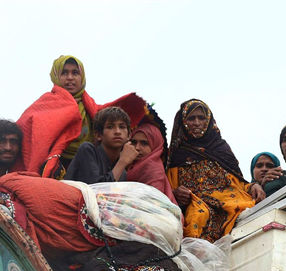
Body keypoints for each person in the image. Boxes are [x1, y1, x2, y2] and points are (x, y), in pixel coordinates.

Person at [17, 54, 147, 179]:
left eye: (75, 73)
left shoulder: (92, 108)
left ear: (82, 77)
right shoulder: (46, 104)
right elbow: (28, 129)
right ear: (55, 77)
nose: (70, 78)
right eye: (64, 73)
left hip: (90, 169)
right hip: (55, 170)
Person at [166, 99, 265, 241]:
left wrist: (253, 185)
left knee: (250, 208)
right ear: (183, 121)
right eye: (191, 118)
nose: (197, 122)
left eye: (201, 118)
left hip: (231, 203)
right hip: (197, 208)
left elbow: (237, 182)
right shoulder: (176, 155)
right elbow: (168, 189)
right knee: (198, 216)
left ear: (209, 120)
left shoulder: (221, 149)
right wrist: (176, 194)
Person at [64, 107, 137, 184]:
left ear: (129, 135)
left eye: (122, 127)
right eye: (110, 127)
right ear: (98, 135)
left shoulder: (122, 171)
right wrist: (122, 162)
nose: (117, 132)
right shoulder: (87, 150)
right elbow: (97, 189)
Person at [126, 118, 178, 206]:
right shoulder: (130, 164)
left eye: (144, 143)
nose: (137, 147)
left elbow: (152, 204)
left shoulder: (153, 169)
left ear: (155, 145)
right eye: (134, 142)